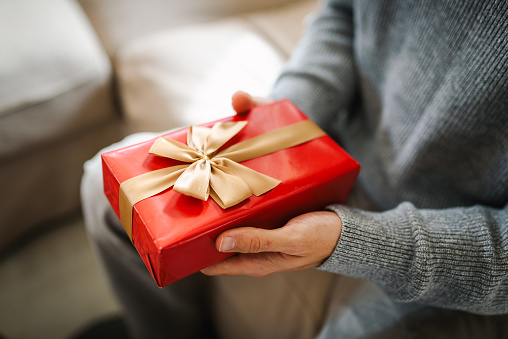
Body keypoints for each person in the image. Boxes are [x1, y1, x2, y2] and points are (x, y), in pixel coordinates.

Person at [81, 0, 508, 338]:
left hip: (455, 246)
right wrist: (288, 114)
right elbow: (342, 14)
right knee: (103, 196)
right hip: (332, 154)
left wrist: (351, 241)